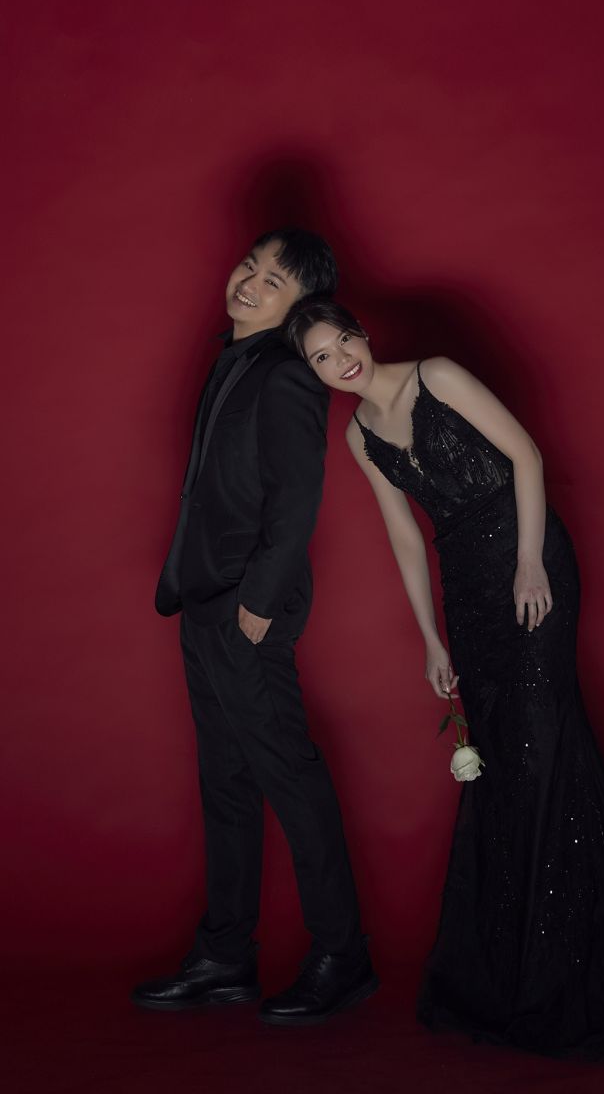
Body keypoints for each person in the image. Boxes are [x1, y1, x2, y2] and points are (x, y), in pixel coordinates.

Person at [283, 295, 604, 1069]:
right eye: (321, 359)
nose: (340, 363)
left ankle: (582, 963)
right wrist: (429, 637)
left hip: (528, 563)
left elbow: (524, 455)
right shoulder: (359, 436)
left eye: (341, 344)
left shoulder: (437, 375)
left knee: (542, 745)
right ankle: (538, 960)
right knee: (507, 765)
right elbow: (404, 536)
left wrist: (530, 561)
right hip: (468, 594)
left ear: (362, 334)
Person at [132, 231, 377, 1026]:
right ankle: (224, 956)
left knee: (288, 777)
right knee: (226, 781)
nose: (250, 282)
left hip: (249, 608)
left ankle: (343, 954)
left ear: (299, 306)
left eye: (274, 280)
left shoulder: (286, 373)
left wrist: (259, 604)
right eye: (251, 265)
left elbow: (296, 500)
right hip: (204, 599)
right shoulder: (232, 358)